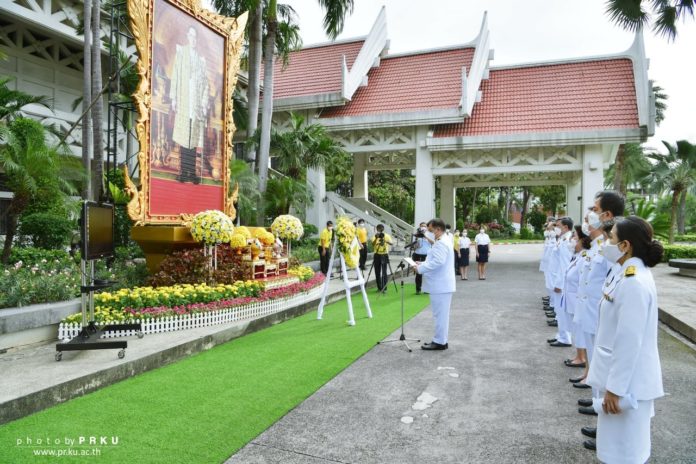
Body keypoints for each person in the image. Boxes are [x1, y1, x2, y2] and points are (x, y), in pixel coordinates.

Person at [586, 216, 664, 464]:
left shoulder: (634, 282)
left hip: (628, 385)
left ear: (625, 245)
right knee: (616, 449)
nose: (607, 241)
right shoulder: (624, 272)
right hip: (620, 380)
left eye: (612, 237)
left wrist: (615, 388)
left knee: (627, 453)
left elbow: (629, 341)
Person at [170, 26, 209, 184]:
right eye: (191, 36)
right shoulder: (181, 53)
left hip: (196, 103)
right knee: (183, 136)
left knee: (192, 138)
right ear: (187, 36)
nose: (193, 39)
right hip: (184, 99)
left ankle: (191, 172)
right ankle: (183, 171)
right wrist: (173, 98)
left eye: (195, 37)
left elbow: (205, 83)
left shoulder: (201, 60)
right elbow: (175, 75)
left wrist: (204, 103)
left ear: (197, 39)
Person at [413, 218, 456, 351]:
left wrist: (420, 269)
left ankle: (440, 342)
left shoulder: (441, 243)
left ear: (438, 229)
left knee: (440, 315)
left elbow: (438, 262)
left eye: (431, 230)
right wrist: (423, 264)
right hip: (442, 285)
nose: (430, 233)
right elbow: (435, 260)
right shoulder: (444, 240)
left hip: (441, 285)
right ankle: (441, 340)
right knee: (441, 315)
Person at [411, 221, 435, 295]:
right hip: (417, 255)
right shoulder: (416, 235)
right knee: (418, 272)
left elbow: (433, 242)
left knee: (427, 273)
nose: (423, 227)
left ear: (427, 227)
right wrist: (416, 243)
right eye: (421, 226)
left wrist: (425, 236)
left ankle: (427, 289)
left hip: (426, 255)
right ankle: (418, 289)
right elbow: (413, 247)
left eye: (424, 226)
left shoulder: (430, 234)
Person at [371, 224, 393, 291]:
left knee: (384, 272)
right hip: (377, 254)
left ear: (383, 229)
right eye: (379, 228)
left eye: (381, 228)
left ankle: (384, 287)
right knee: (377, 272)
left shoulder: (386, 235)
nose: (380, 230)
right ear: (376, 229)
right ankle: (379, 287)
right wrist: (376, 238)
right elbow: (372, 244)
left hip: (384, 254)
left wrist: (385, 241)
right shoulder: (375, 236)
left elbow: (391, 243)